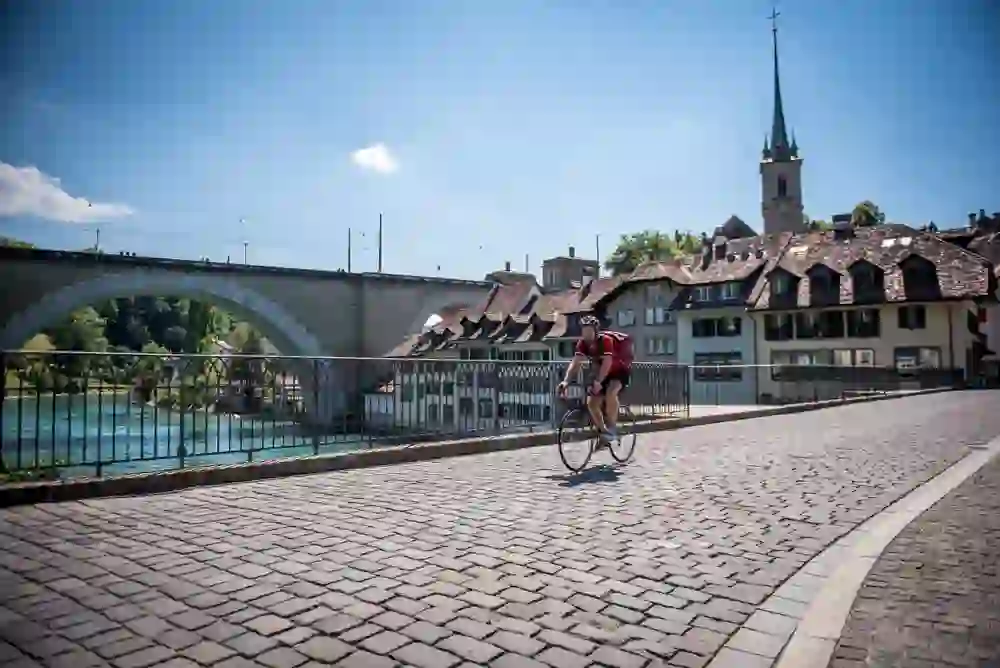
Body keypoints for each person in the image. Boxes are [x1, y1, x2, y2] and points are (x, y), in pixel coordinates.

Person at [556, 314, 633, 446]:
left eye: (589, 330)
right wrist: (566, 381)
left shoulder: (605, 340)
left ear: (596, 331)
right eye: (584, 330)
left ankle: (612, 427)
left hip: (619, 370)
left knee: (611, 392)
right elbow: (576, 362)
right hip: (601, 371)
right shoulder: (583, 344)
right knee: (592, 403)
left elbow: (607, 363)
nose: (586, 334)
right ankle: (604, 432)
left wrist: (598, 382)